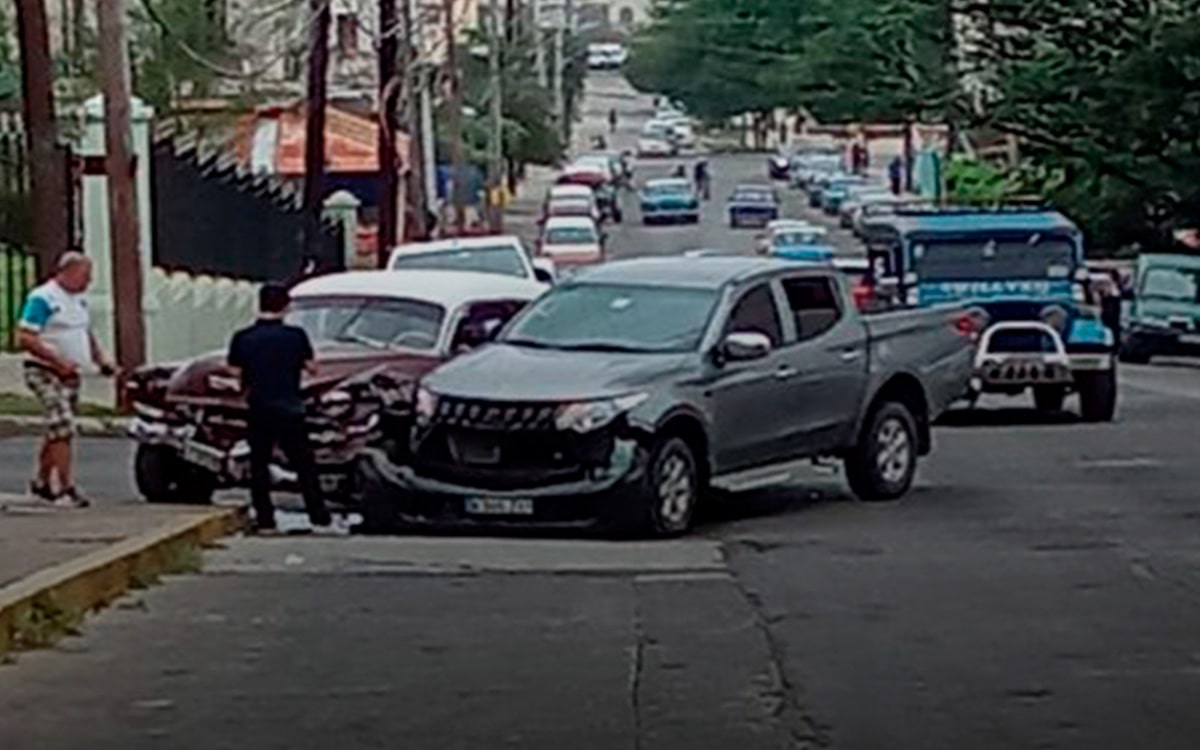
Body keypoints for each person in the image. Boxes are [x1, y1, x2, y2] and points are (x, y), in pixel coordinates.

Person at [227, 284, 342, 536]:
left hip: (258, 408)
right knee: (304, 464)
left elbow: (235, 375)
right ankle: (319, 516)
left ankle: (266, 519)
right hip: (290, 407)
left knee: (259, 464)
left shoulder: (242, 338)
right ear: (286, 306)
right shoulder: (296, 336)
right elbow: (313, 368)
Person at [18, 252, 116, 507]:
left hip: (71, 374)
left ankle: (41, 483)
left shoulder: (79, 301)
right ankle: (65, 487)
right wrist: (57, 362)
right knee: (63, 424)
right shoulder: (43, 298)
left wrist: (100, 359)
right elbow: (26, 337)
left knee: (58, 429)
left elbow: (85, 332)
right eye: (85, 275)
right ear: (67, 272)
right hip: (44, 370)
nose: (89, 281)